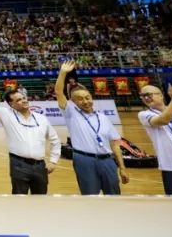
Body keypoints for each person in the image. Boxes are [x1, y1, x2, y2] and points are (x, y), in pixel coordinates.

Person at [0, 69, 61, 194]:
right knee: (19, 199)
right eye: (18, 100)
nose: (23, 100)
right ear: (11, 105)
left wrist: (53, 161)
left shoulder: (41, 118)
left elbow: (55, 140)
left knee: (41, 199)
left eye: (23, 98)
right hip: (19, 165)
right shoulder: (6, 115)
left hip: (40, 166)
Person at [55, 61, 129, 195]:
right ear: (73, 102)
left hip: (107, 160)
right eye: (80, 99)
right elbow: (59, 92)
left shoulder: (103, 117)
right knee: (90, 196)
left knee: (114, 196)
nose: (85, 101)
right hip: (84, 160)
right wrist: (63, 73)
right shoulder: (71, 113)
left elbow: (115, 143)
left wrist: (122, 167)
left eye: (87, 97)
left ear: (91, 98)